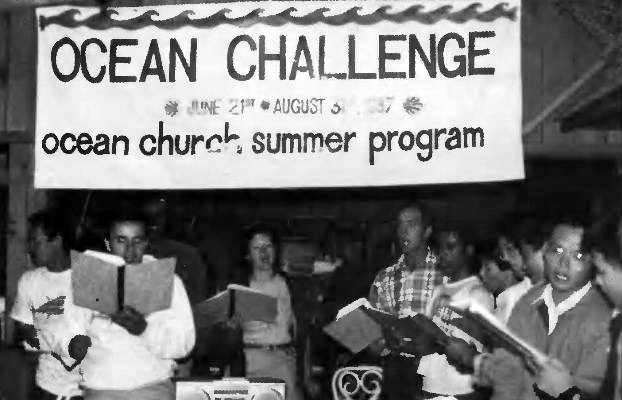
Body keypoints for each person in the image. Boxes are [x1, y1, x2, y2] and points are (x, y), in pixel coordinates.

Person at [447, 220, 612, 400]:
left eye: (578, 256)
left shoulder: (603, 319)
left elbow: (595, 391)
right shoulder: (529, 300)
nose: (563, 264)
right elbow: (507, 373)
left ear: (595, 262)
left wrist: (565, 390)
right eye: (557, 250)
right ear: (544, 251)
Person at [52, 212, 196, 400]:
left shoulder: (167, 281)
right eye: (121, 240)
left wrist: (144, 329)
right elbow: (64, 337)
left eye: (137, 241)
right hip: (99, 388)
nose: (130, 250)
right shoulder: (87, 278)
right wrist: (74, 343)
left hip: (151, 386)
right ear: (108, 243)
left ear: (146, 243)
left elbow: (183, 345)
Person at [11, 210, 90, 400]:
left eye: (36, 241)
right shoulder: (30, 280)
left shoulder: (91, 278)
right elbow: (23, 328)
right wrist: (60, 344)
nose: (30, 248)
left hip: (90, 388)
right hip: (47, 387)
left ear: (57, 240)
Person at [368, 203, 444, 400]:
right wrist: (379, 341)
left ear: (427, 231)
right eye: (400, 226)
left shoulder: (444, 273)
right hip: (396, 373)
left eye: (411, 225)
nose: (403, 232)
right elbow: (373, 338)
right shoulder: (384, 277)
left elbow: (460, 333)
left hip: (437, 371)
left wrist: (431, 340)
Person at [418, 228, 494, 399]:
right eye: (440, 248)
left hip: (462, 388)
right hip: (433, 384)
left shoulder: (478, 294)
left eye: (450, 247)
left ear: (468, 250)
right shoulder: (438, 291)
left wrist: (441, 337)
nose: (443, 254)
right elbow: (427, 340)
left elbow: (477, 346)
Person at [228, 223, 302, 400]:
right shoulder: (240, 287)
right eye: (257, 247)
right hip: (254, 361)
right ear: (248, 255)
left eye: (268, 246)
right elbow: (229, 330)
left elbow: (298, 326)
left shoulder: (288, 284)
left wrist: (304, 371)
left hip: (285, 360)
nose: (264, 252)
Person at [478, 242, 532, 323]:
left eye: (488, 268)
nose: (481, 273)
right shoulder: (494, 299)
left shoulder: (514, 302)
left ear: (508, 271)